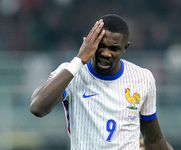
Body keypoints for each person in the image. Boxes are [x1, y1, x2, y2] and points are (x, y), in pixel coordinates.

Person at [30, 14, 172, 150]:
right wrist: (79, 60)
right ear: (90, 43)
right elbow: (38, 107)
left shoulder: (143, 78)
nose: (106, 53)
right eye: (101, 45)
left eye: (114, 48)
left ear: (125, 48)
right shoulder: (71, 72)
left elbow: (153, 139)